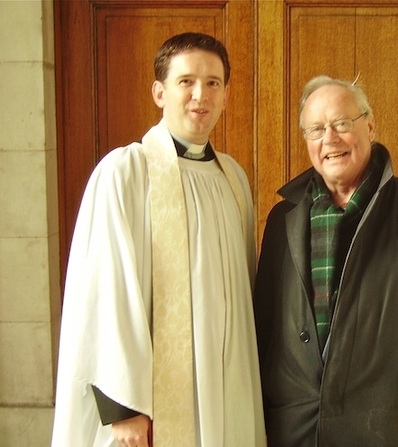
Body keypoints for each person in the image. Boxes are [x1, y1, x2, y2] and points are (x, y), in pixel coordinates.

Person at [51, 32, 265, 447]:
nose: (199, 94)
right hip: (147, 404)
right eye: (186, 81)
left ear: (225, 96)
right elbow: (105, 293)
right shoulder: (126, 172)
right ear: (159, 92)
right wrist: (125, 408)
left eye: (213, 83)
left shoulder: (233, 180)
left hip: (227, 390)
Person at [253, 75, 398, 447]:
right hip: (295, 429)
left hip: (388, 429)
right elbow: (264, 328)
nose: (330, 139)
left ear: (370, 126)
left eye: (342, 123)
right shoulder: (282, 219)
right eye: (316, 129)